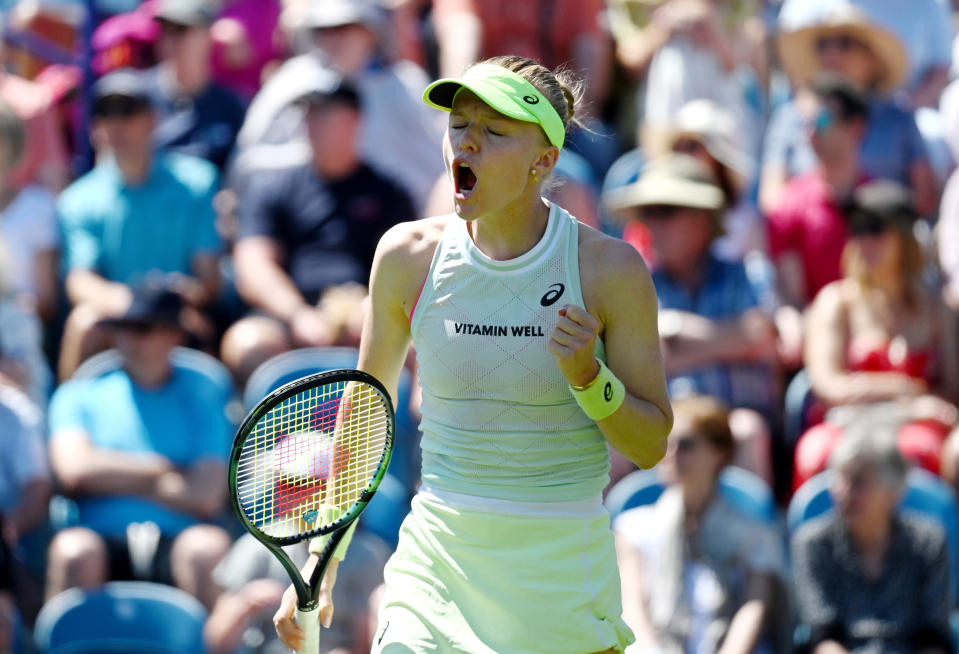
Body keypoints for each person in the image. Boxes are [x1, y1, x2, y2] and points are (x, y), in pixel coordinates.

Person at [273, 54, 673, 653]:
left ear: (544, 161)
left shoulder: (610, 270)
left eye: (495, 132)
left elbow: (650, 444)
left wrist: (590, 378)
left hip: (560, 577)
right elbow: (363, 419)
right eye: (459, 125)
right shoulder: (406, 255)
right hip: (436, 568)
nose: (467, 142)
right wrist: (320, 561)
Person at [45, 281, 233, 609]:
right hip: (99, 538)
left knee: (206, 550)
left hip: (179, 540)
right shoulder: (78, 393)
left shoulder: (204, 396)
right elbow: (74, 471)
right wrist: (164, 469)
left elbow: (207, 495)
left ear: (173, 336)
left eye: (143, 329)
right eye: (124, 327)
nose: (129, 338)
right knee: (73, 552)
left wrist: (110, 474)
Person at [219, 70, 414, 385]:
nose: (312, 123)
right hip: (289, 316)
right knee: (248, 343)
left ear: (355, 120)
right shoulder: (274, 186)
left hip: (368, 316)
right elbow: (251, 265)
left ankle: (406, 432)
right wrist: (297, 314)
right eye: (309, 113)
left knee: (417, 347)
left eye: (326, 113)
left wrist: (368, 312)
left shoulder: (389, 193)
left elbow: (409, 270)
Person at [604, 153, 779, 488]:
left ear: (703, 219)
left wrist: (673, 335)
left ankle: (749, 541)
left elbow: (760, 337)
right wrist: (728, 340)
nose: (652, 225)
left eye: (665, 212)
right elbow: (634, 361)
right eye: (646, 214)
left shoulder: (748, 275)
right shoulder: (634, 285)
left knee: (749, 431)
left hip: (728, 424)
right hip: (658, 423)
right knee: (610, 444)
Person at [56, 68, 223, 380]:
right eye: (104, 114)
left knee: (197, 327)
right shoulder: (76, 200)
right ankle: (68, 422)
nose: (116, 124)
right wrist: (137, 308)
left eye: (128, 111)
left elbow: (207, 279)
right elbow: (80, 282)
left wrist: (170, 302)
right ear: (94, 128)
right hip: (115, 316)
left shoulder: (198, 181)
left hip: (177, 316)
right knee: (84, 323)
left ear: (153, 120)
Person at [793, 179, 959, 491]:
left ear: (905, 238)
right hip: (846, 425)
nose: (865, 240)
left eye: (876, 229)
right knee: (816, 456)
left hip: (917, 430)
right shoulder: (836, 302)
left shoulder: (939, 309)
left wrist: (910, 406)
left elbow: (952, 389)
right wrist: (905, 394)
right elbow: (827, 385)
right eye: (858, 230)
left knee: (923, 453)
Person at [231, 0, 445, 214]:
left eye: (344, 28)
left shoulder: (404, 85)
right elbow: (247, 164)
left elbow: (435, 169)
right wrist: (316, 156)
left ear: (370, 32)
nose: (333, 39)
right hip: (306, 223)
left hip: (388, 222)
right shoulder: (290, 83)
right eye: (323, 30)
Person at [614, 394, 786, 654]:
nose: (670, 453)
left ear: (719, 453)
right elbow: (632, 608)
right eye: (666, 443)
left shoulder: (753, 534)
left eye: (685, 444)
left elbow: (754, 608)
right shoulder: (633, 529)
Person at [791, 422, 953, 654]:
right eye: (840, 478)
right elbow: (822, 635)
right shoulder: (813, 543)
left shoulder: (928, 542)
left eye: (858, 481)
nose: (845, 491)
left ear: (893, 492)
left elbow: (934, 637)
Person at [763, 2, 938, 216]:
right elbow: (771, 199)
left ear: (870, 57)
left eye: (844, 44)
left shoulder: (898, 118)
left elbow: (924, 197)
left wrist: (873, 226)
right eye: (823, 45)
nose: (832, 54)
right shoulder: (790, 117)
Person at [204, 530, 391, 654]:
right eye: (288, 485)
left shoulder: (367, 557)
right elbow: (216, 642)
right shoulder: (254, 547)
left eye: (317, 486)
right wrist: (243, 604)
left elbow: (367, 644)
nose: (304, 495)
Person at [146, 0, 249, 171]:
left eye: (181, 29)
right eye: (165, 29)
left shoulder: (233, 107)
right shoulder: (138, 96)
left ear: (207, 36)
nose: (171, 39)